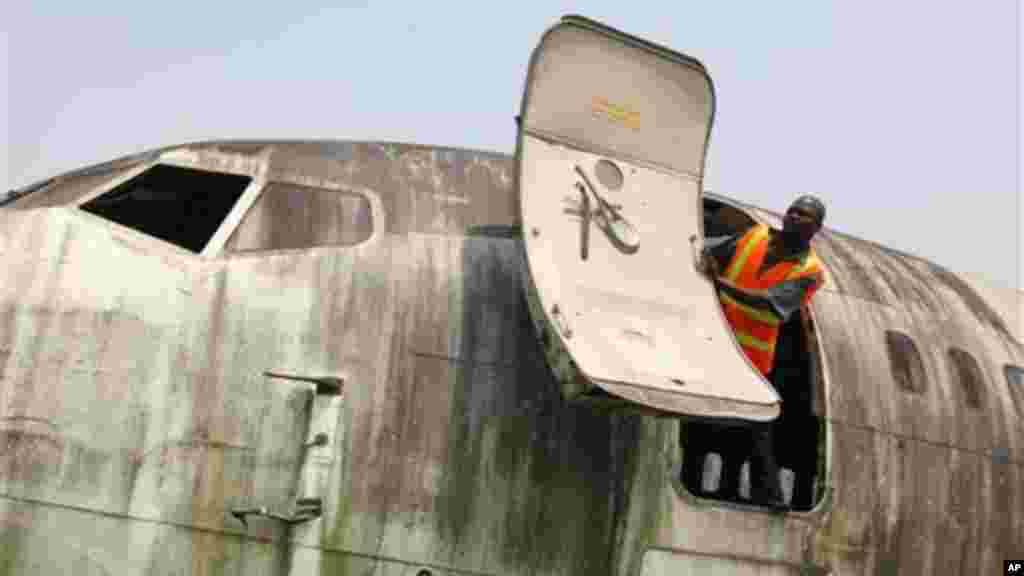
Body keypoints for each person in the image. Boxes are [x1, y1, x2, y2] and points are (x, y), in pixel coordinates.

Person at [697, 195, 828, 510]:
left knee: (759, 426)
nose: (795, 217)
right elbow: (709, 247)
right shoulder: (752, 236)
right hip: (715, 344)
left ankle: (768, 495)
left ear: (817, 228)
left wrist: (721, 285)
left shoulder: (811, 271)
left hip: (752, 358)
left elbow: (772, 305)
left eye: (805, 215)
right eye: (793, 211)